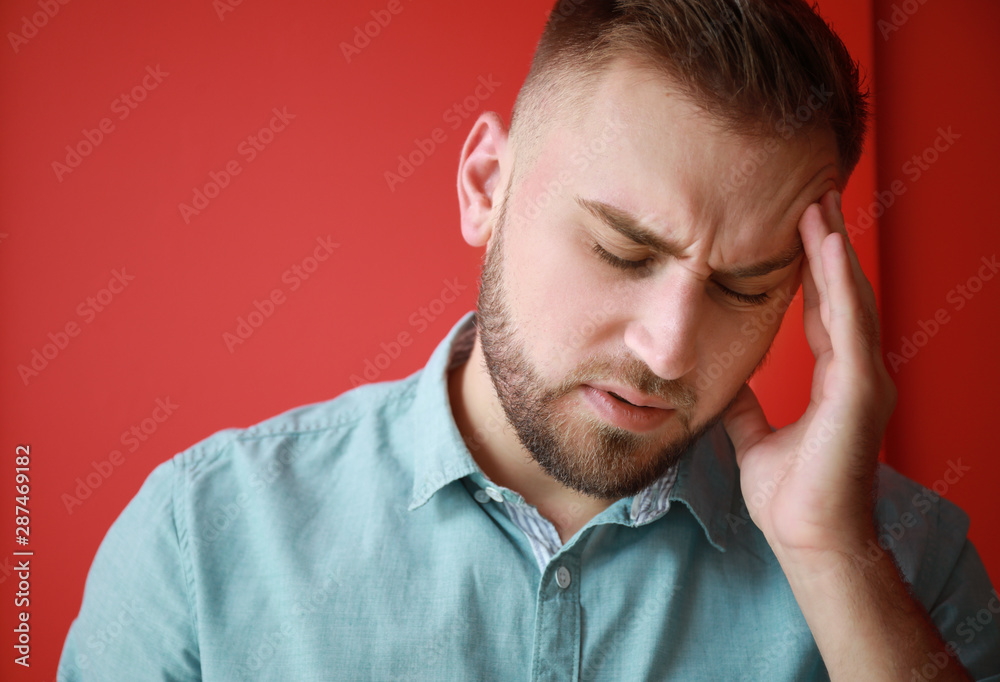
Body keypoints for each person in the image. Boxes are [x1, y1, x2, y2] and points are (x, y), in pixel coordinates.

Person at [59, 1, 1000, 680]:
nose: (670, 351)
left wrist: (833, 560)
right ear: (484, 187)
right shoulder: (203, 541)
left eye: (744, 288)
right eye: (621, 251)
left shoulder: (906, 568)